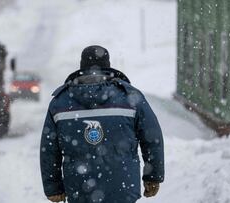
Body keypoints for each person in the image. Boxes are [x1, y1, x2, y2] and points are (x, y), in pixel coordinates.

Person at [40, 45, 164, 203]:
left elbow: (49, 149)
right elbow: (152, 138)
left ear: (81, 66)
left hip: (80, 189)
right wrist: (153, 177)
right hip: (123, 189)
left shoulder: (60, 102)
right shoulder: (131, 98)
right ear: (108, 65)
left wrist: (53, 187)